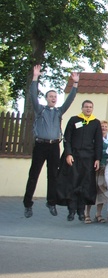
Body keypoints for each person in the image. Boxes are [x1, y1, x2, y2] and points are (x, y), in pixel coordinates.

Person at [23, 64, 79, 218]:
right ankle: (28, 204)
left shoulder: (59, 111)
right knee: (34, 175)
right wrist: (35, 78)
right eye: (51, 96)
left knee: (53, 175)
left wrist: (75, 84)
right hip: (40, 145)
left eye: (55, 97)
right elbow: (33, 96)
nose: (53, 99)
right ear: (46, 98)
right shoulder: (40, 110)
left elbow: (70, 100)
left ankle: (51, 202)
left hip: (55, 146)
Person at [58, 99, 103, 222]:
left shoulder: (95, 123)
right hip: (74, 156)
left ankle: (81, 211)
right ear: (82, 108)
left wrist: (97, 159)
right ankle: (71, 210)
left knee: (85, 184)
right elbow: (67, 138)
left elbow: (98, 142)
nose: (88, 109)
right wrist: (68, 154)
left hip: (88, 158)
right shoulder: (74, 120)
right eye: (86, 107)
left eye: (90, 107)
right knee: (73, 183)